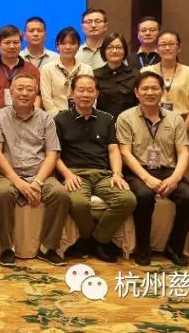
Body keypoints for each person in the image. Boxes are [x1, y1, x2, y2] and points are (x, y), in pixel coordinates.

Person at [117, 71, 189, 267]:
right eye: (144, 88)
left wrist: (175, 179)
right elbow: (125, 153)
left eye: (154, 88)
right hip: (138, 171)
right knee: (144, 196)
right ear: (136, 92)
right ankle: (143, 248)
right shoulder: (125, 118)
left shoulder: (175, 119)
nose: (150, 92)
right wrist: (147, 179)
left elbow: (184, 152)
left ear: (162, 91)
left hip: (167, 170)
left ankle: (174, 247)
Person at [54, 74, 136, 263]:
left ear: (97, 93)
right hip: (75, 174)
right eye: (81, 90)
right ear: (72, 93)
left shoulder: (107, 119)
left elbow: (114, 150)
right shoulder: (60, 119)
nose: (85, 95)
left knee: (127, 200)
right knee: (78, 203)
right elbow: (54, 155)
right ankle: (95, 241)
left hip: (104, 174)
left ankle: (97, 239)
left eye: (90, 90)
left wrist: (117, 173)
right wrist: (67, 175)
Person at [0, 73, 68, 267]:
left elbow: (52, 154)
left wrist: (37, 182)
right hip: (7, 174)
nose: (24, 93)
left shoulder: (46, 118)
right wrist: (19, 183)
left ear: (36, 94)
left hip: (39, 174)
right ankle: (7, 248)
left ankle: (48, 248)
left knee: (60, 194)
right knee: (3, 192)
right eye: (20, 89)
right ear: (11, 92)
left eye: (29, 89)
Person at [142, 31, 189, 136]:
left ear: (179, 48)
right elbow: (140, 102)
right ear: (157, 49)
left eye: (171, 44)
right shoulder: (146, 71)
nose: (167, 48)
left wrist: (182, 132)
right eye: (163, 44)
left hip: (182, 126)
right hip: (151, 127)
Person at [0, 25, 41, 117]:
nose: (12, 46)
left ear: (21, 45)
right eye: (7, 43)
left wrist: (32, 118)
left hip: (26, 120)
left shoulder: (31, 69)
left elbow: (37, 97)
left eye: (16, 42)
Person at [40, 27, 93, 115]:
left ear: (78, 46)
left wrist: (86, 114)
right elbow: (46, 98)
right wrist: (59, 118)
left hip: (82, 115)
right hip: (56, 116)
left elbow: (92, 95)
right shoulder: (47, 69)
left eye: (72, 43)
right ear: (57, 46)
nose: (68, 47)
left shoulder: (86, 69)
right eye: (63, 43)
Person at [95, 33, 140, 117]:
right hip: (102, 122)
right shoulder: (95, 75)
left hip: (128, 121)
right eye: (110, 47)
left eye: (119, 47)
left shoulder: (135, 74)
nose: (115, 51)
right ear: (103, 51)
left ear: (125, 50)